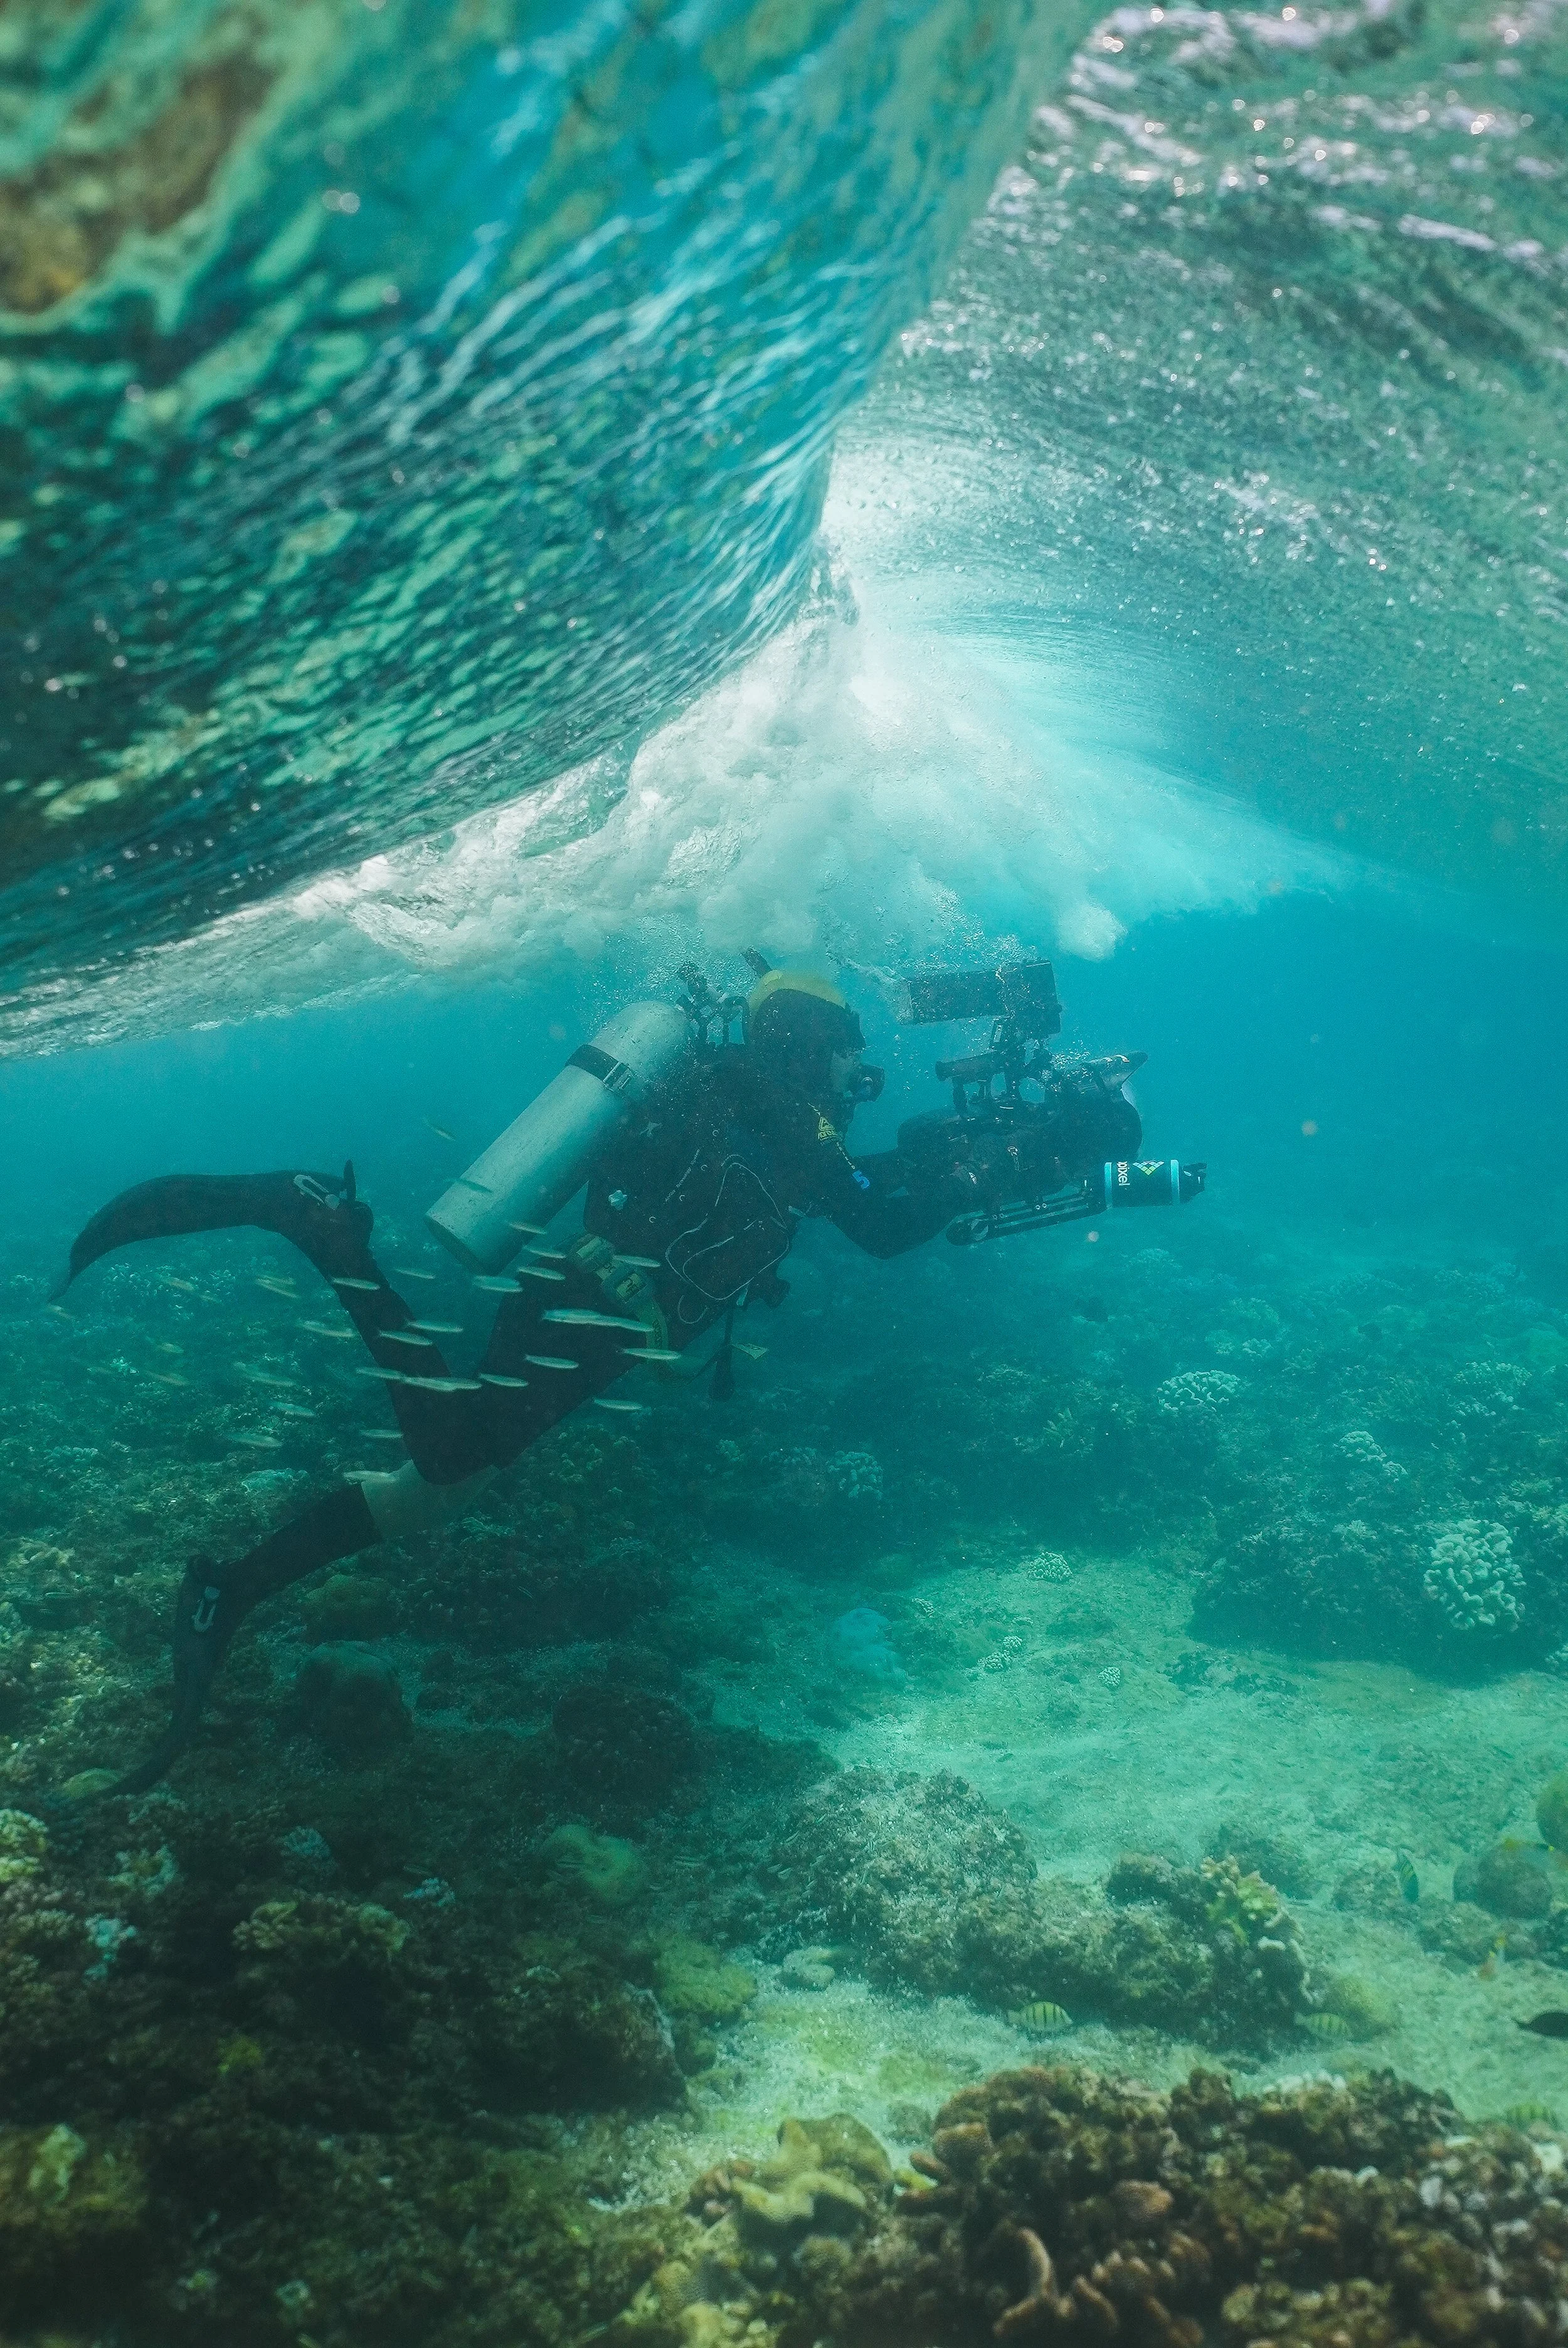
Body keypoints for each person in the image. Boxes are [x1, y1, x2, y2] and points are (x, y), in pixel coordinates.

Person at [58, 968, 1139, 1789]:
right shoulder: (774, 1100)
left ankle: (233, 1586)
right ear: (806, 1036)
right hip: (599, 1300)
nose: (853, 1065)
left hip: (605, 1303)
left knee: (442, 1487)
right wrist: (1019, 1153)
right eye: (843, 1043)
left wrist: (981, 1152)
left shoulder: (749, 1095)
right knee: (456, 1457)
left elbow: (862, 1185)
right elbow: (883, 1218)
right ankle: (322, 1229)